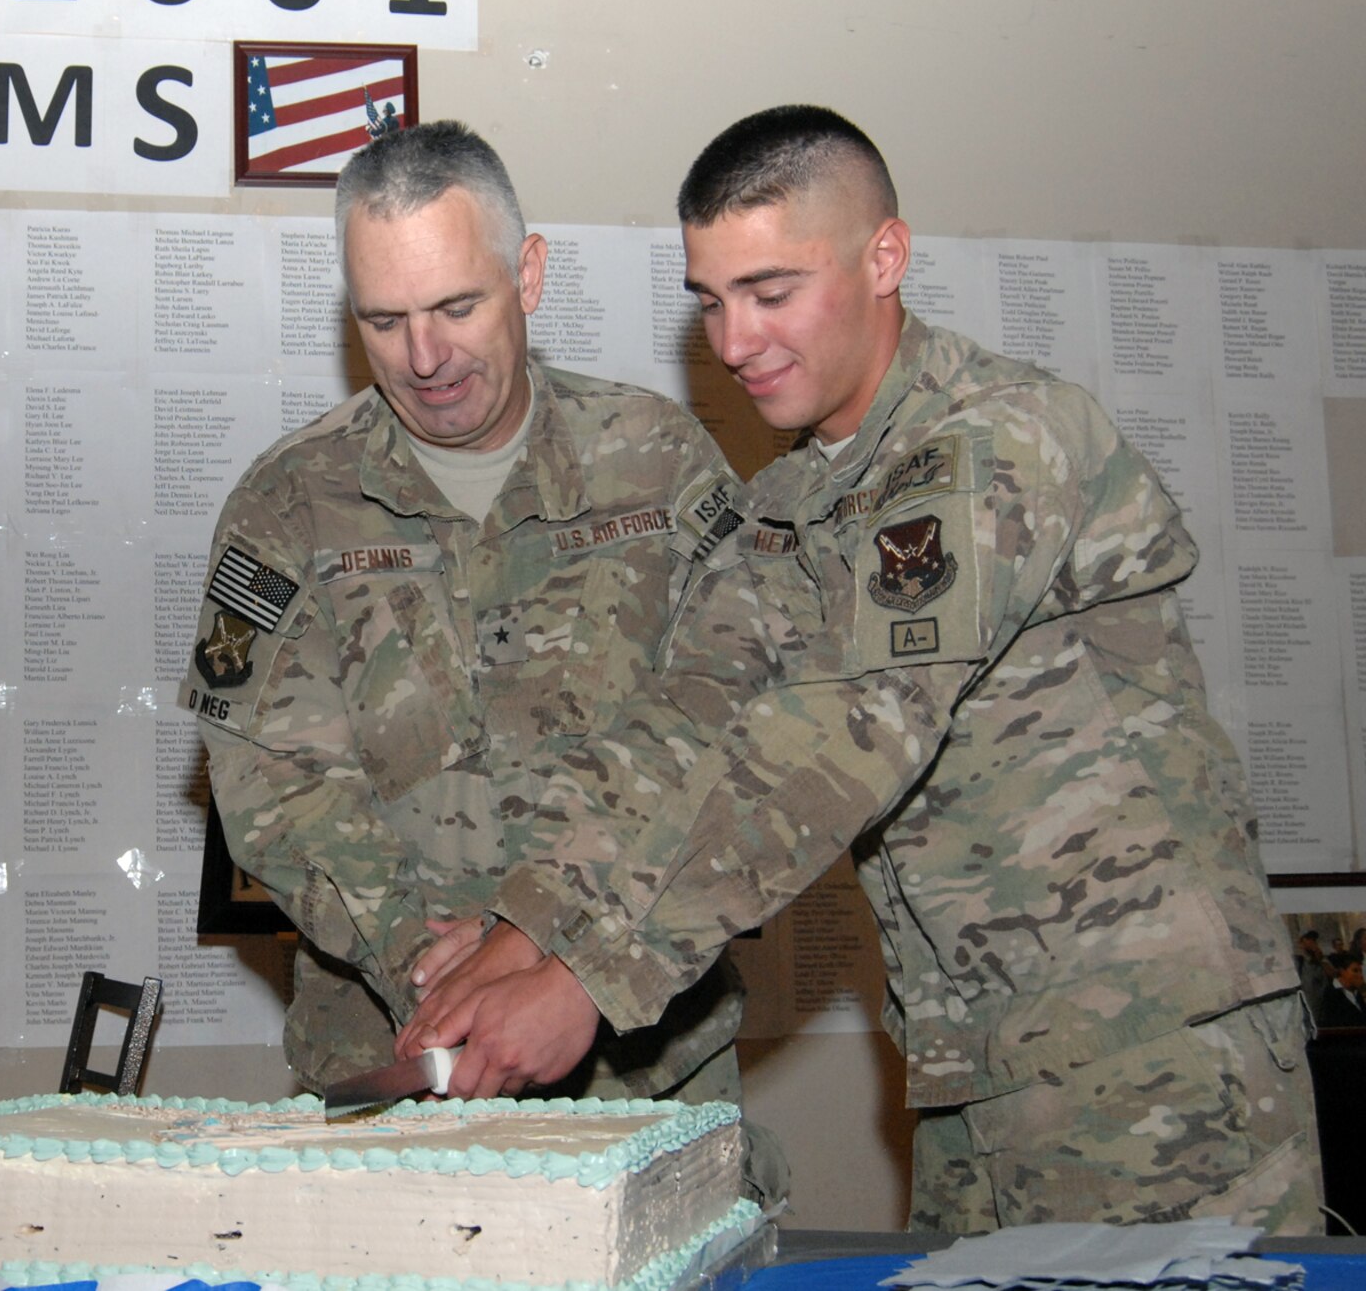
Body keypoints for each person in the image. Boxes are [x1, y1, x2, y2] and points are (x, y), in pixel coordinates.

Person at [407, 104, 1319, 1233]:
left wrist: (589, 979)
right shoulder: (792, 504)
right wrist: (527, 922)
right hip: (971, 1060)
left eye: (770, 292)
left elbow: (845, 732)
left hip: (1152, 1057)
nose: (733, 341)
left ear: (884, 257)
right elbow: (684, 723)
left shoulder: (997, 439)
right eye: (710, 300)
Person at [179, 120, 765, 1134]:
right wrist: (433, 965)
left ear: (526, 274)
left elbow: (743, 731)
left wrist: (565, 951)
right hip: (397, 1066)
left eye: (457, 307)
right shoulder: (288, 504)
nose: (425, 357)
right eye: (385, 320)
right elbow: (271, 780)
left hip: (641, 1069)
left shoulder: (658, 464)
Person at [1320, 952, 1366, 1029]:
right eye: (1355, 971)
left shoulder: (1359, 994)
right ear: (1342, 971)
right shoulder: (1331, 994)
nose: (1360, 975)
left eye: (1360, 971)